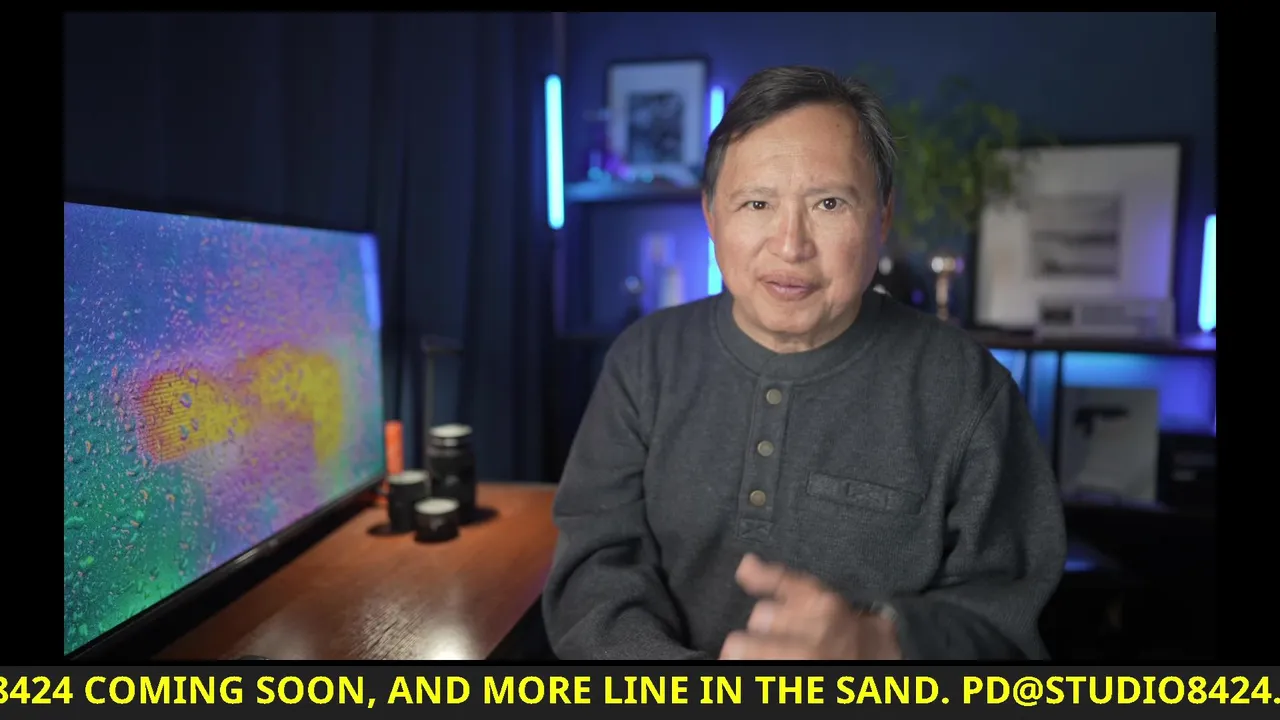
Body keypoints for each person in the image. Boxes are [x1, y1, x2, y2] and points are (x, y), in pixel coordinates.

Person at [542, 65, 1066, 661]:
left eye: (829, 203)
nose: (791, 244)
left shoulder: (967, 388)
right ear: (711, 216)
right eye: (757, 202)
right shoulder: (644, 361)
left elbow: (1009, 622)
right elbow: (594, 572)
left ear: (881, 217)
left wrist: (878, 643)